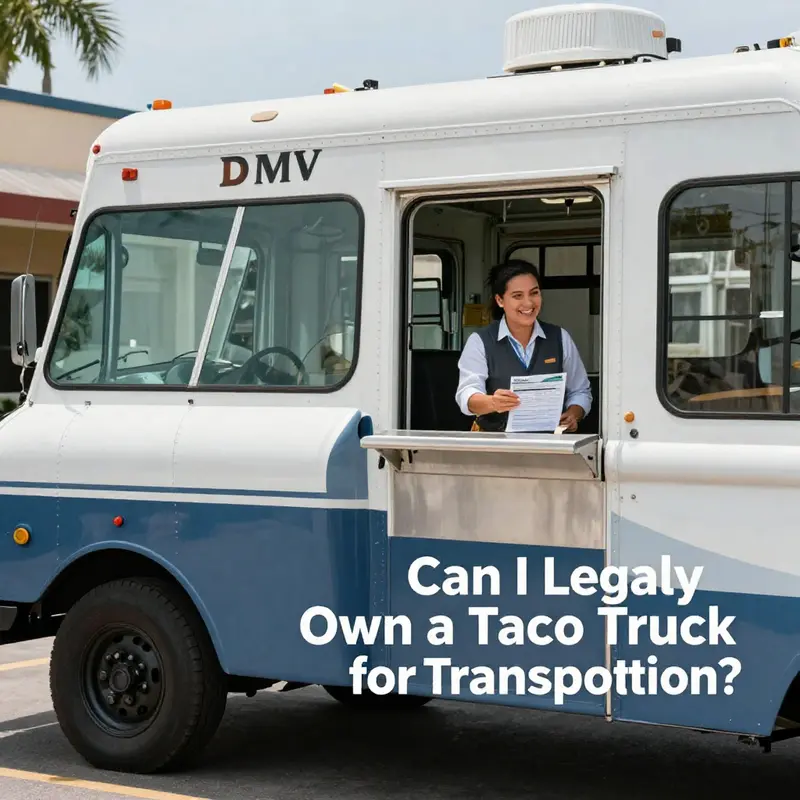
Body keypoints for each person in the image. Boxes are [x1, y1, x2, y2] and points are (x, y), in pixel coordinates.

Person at [455, 259, 592, 433]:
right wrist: (492, 403)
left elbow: (580, 391)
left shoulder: (559, 337)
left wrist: (573, 414)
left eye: (534, 293)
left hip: (549, 445)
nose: (528, 303)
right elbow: (467, 396)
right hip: (494, 445)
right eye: (517, 296)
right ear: (500, 300)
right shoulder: (480, 341)